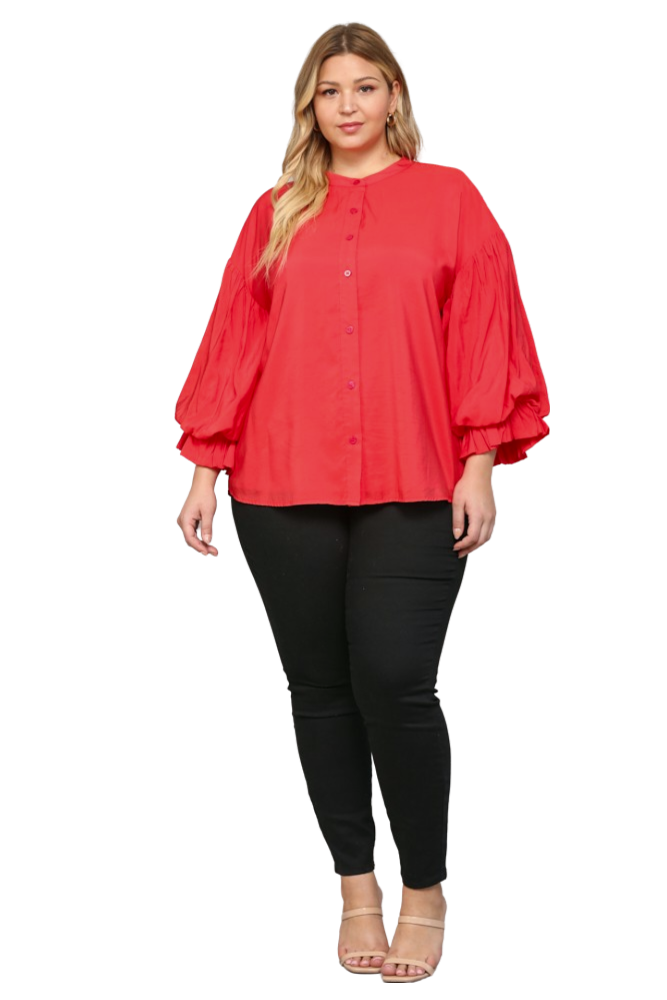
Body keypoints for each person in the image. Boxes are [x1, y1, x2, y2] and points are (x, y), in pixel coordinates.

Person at [174, 22, 550, 984]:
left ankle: (425, 888)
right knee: (319, 689)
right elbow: (234, 340)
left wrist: (478, 463)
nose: (348, 105)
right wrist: (205, 467)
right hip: (280, 481)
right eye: (329, 89)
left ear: (393, 97)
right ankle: (355, 886)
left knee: (395, 680)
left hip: (415, 478)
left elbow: (483, 330)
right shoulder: (274, 212)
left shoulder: (449, 198)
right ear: (310, 104)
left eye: (365, 86)